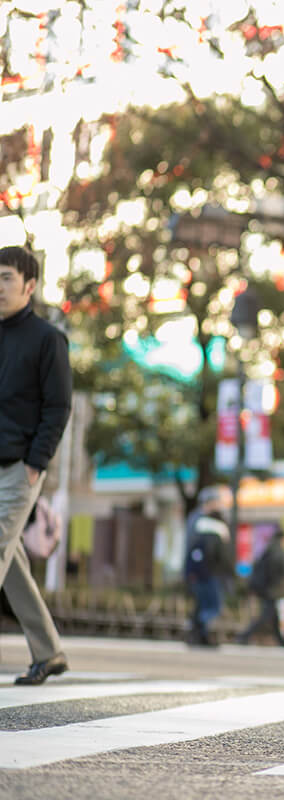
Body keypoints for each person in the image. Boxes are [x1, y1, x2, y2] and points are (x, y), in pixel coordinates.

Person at [0, 245, 72, 685]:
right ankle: (50, 651)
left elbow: (58, 407)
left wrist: (36, 462)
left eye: (6, 277)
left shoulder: (48, 340)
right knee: (11, 564)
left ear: (29, 285)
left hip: (19, 469)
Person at [184, 502, 233, 646]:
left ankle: (197, 635)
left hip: (196, 576)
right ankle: (200, 633)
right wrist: (231, 574)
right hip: (212, 576)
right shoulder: (217, 536)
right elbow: (222, 559)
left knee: (202, 606)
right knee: (213, 607)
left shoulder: (198, 533)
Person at [235, 525, 284, 647]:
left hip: (267, 589)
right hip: (272, 590)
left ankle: (282, 642)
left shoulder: (268, 550)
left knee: (273, 616)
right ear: (283, 539)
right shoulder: (278, 552)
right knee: (265, 616)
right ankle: (244, 635)